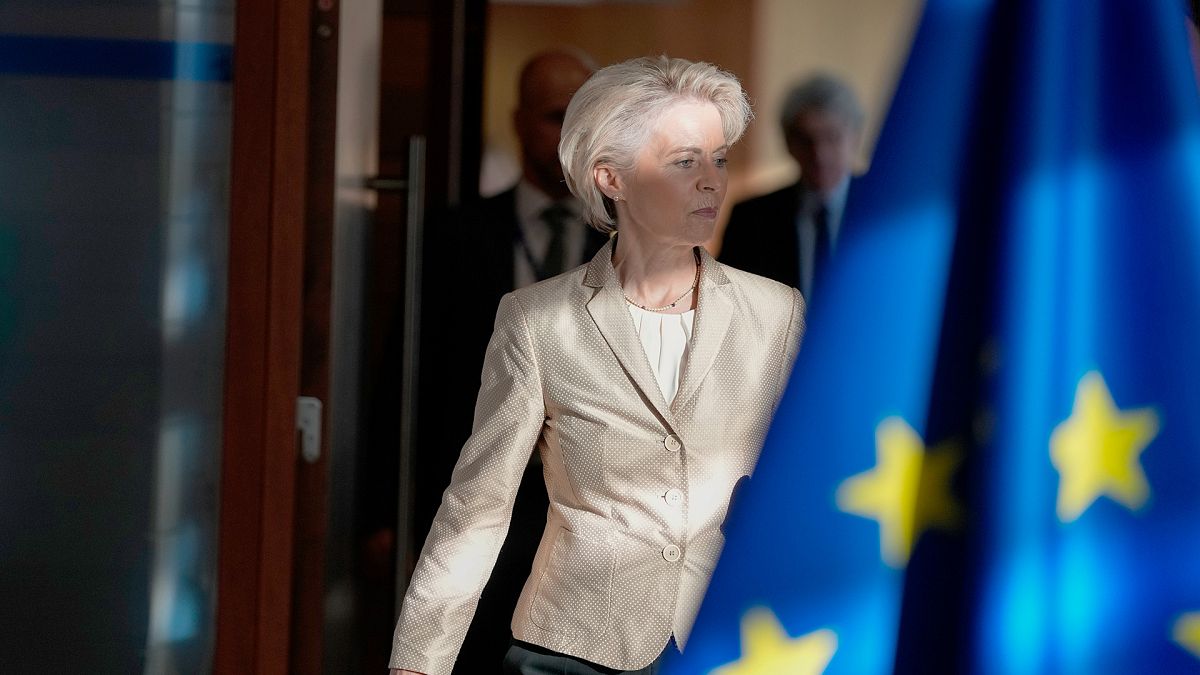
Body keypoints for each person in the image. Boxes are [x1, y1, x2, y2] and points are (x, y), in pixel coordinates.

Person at [390, 55, 805, 675]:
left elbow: (805, 484)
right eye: (685, 162)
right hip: (571, 647)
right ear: (610, 178)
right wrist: (418, 662)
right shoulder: (535, 319)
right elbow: (477, 505)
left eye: (719, 159)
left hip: (734, 640)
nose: (713, 182)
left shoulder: (777, 313)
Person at [411, 48, 609, 673]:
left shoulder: (631, 241)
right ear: (518, 121)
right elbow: (417, 374)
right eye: (557, 116)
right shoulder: (456, 235)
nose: (570, 134)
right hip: (482, 509)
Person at [719, 73, 865, 302]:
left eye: (831, 137)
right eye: (806, 140)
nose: (819, 153)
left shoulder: (884, 210)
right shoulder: (751, 219)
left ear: (855, 138)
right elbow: (729, 301)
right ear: (788, 143)